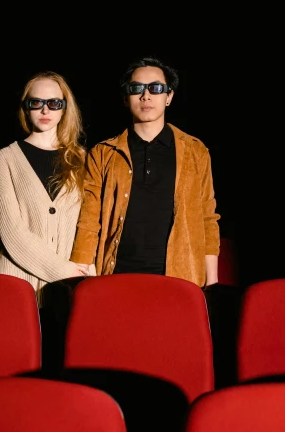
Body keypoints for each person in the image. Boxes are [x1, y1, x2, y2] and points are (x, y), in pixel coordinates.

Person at [69, 56, 221, 288]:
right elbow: (90, 219)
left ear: (169, 97)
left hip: (179, 278)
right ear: (125, 97)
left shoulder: (195, 151)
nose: (146, 95)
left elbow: (207, 217)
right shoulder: (103, 153)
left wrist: (212, 282)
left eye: (156, 88)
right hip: (117, 275)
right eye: (136, 88)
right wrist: (81, 275)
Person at [0, 71, 92, 306]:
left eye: (54, 103)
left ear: (64, 108)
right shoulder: (6, 157)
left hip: (72, 283)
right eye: (36, 103)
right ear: (26, 108)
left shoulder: (83, 159)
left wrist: (84, 272)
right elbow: (11, 231)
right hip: (21, 278)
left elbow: (89, 223)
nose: (45, 110)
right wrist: (62, 270)